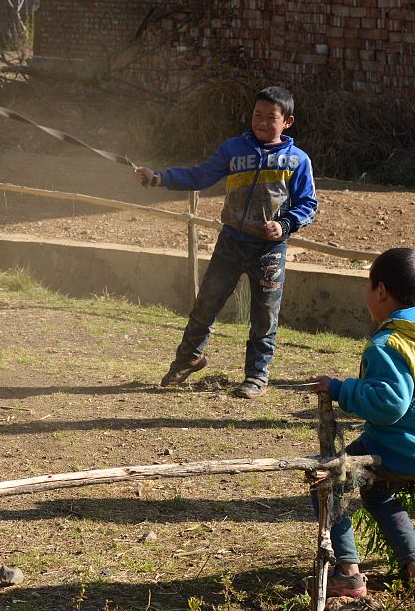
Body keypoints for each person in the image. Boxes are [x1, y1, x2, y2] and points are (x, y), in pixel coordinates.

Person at [133, 86, 317, 399]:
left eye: (270, 117)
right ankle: (189, 357)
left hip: (269, 251)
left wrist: (285, 225)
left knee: (264, 316)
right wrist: (158, 178)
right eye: (256, 115)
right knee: (206, 303)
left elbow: (308, 203)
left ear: (287, 121)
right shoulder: (233, 150)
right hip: (231, 242)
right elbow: (199, 176)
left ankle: (257, 376)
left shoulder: (297, 161)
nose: (260, 122)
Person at [309, 247, 415, 597]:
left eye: (368, 285)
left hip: (398, 448)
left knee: (328, 481)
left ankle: (348, 572)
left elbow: (389, 404)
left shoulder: (388, 343)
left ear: (381, 291)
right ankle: (412, 561)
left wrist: (341, 389)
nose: (366, 294)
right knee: (377, 492)